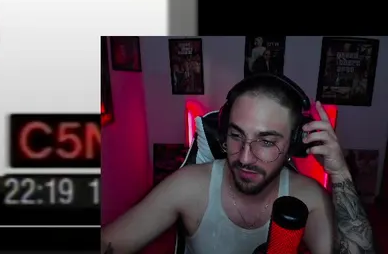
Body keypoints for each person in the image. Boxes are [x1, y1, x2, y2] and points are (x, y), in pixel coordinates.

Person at [100, 73, 377, 254]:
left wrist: (340, 172)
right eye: (236, 135)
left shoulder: (308, 198)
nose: (244, 157)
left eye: (266, 141)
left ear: (293, 145)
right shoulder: (188, 186)